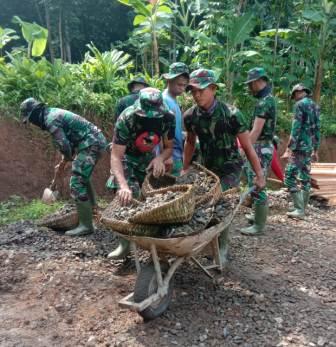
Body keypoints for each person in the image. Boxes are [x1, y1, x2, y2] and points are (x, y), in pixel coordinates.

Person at [183, 69, 266, 264]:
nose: (196, 95)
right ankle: (206, 241)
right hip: (207, 167)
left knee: (222, 204)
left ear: (213, 89)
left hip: (230, 167)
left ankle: (222, 247)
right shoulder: (190, 116)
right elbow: (190, 142)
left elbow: (247, 146)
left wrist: (260, 174)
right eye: (193, 91)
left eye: (201, 90)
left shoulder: (232, 115)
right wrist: (185, 167)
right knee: (203, 203)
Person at [20, 97, 108, 236]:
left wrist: (66, 159)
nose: (32, 123)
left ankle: (86, 225)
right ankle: (93, 211)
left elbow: (64, 145)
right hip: (94, 141)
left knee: (77, 181)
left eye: (31, 119)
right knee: (82, 177)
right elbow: (68, 143)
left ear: (36, 114)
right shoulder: (52, 114)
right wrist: (64, 160)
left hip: (92, 144)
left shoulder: (50, 120)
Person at [108, 88, 175, 259]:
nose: (151, 118)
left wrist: (160, 158)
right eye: (147, 115)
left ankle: (150, 240)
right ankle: (124, 245)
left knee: (153, 198)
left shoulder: (168, 118)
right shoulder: (127, 118)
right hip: (128, 158)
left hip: (149, 158)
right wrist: (122, 186)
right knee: (127, 197)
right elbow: (116, 156)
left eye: (155, 115)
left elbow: (168, 148)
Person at [240, 67, 277, 236]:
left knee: (257, 181)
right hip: (264, 146)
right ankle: (256, 216)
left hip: (260, 146)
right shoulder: (269, 99)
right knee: (254, 180)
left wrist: (245, 150)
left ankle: (259, 225)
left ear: (256, 82)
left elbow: (255, 131)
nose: (249, 88)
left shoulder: (264, 102)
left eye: (250, 84)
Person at [281, 83, 320, 218]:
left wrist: (288, 149)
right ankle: (302, 207)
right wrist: (315, 149)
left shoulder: (299, 105)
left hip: (299, 148)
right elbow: (317, 129)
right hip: (309, 147)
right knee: (305, 177)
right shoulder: (315, 106)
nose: (295, 98)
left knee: (289, 176)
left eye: (294, 95)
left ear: (298, 92)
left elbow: (295, 128)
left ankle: (299, 209)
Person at [106, 75, 149, 191]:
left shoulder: (122, 101)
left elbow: (117, 127)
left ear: (132, 87)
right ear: (145, 88)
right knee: (145, 181)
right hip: (147, 146)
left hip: (125, 146)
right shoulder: (151, 101)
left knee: (122, 178)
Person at [162, 62, 189, 176]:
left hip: (176, 153)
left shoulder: (173, 100)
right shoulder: (164, 101)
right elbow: (161, 130)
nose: (182, 88)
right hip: (171, 156)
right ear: (169, 81)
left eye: (184, 85)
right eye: (179, 84)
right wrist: (166, 156)